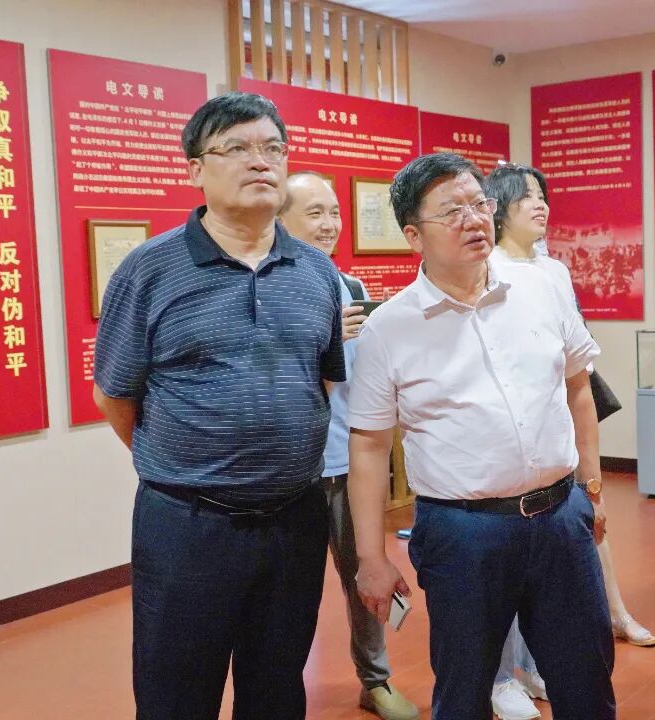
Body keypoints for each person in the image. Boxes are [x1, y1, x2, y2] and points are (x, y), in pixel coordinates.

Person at [93, 92, 345, 720]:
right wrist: (187, 462)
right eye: (236, 148)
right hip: (188, 524)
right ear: (196, 170)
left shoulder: (316, 272)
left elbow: (322, 381)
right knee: (176, 693)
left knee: (278, 688)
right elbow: (115, 395)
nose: (261, 161)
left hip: (295, 518)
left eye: (273, 148)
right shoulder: (150, 270)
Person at [347, 153, 615, 720]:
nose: (474, 219)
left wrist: (591, 488)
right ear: (413, 235)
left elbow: (578, 387)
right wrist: (371, 556)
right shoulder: (389, 328)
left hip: (560, 516)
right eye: (452, 211)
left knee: (587, 679)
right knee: (464, 690)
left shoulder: (541, 288)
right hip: (462, 533)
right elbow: (369, 446)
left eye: (479, 203)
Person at [484, 163, 655, 720]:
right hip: (504, 447)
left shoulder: (554, 270)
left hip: (556, 435)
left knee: (551, 576)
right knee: (502, 572)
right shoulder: (486, 267)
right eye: (527, 197)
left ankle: (535, 666)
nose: (540, 205)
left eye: (542, 196)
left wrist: (591, 474)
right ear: (499, 207)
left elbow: (575, 370)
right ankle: (500, 680)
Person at [277, 171, 419, 720]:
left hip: (347, 463)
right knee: (288, 594)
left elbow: (361, 381)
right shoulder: (272, 292)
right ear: (280, 220)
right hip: (290, 473)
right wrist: (322, 340)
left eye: (334, 211)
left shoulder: (350, 288)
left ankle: (375, 680)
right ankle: (278, 688)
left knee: (367, 577)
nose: (329, 224)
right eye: (314, 212)